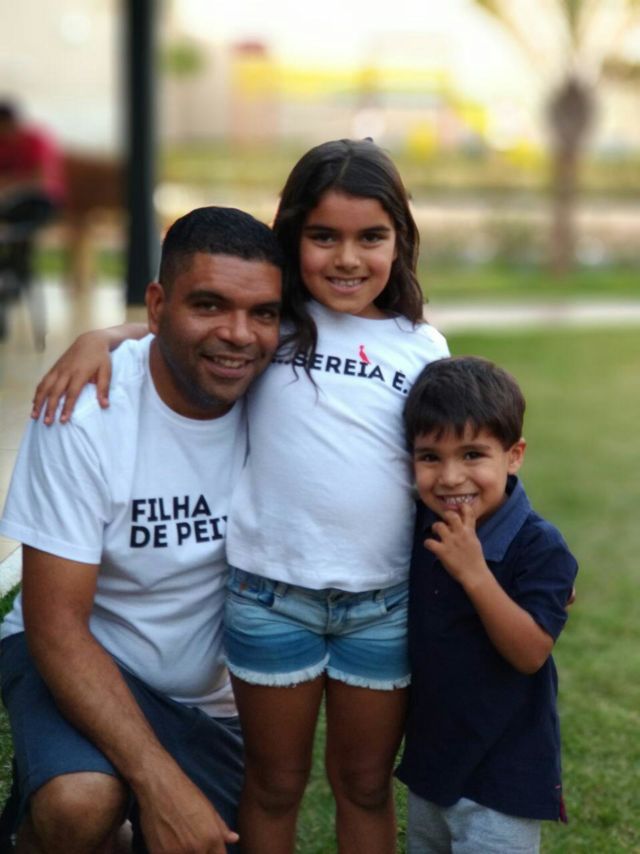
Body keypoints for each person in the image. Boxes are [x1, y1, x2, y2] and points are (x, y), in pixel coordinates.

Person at [29, 139, 450, 853]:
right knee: (273, 783)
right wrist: (100, 337)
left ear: (401, 241)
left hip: (380, 604)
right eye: (324, 236)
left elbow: (458, 452)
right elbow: (180, 328)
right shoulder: (279, 325)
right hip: (271, 599)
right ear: (294, 236)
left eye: (371, 238)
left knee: (366, 782)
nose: (348, 258)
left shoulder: (420, 345)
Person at [0, 205, 284, 853]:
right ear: (158, 306)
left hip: (211, 701)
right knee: (80, 803)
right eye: (208, 305)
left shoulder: (282, 394)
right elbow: (55, 627)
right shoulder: (83, 408)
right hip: (80, 656)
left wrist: (106, 332)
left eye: (263, 313)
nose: (238, 334)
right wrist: (160, 783)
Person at [396, 355, 579, 854]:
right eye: (430, 457)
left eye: (473, 454)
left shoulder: (539, 546)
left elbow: (530, 653)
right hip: (433, 764)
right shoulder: (419, 525)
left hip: (505, 773)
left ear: (513, 455)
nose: (451, 477)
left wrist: (473, 571)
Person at [0, 100, 64, 305]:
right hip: (9, 207)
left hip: (40, 203)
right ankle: (13, 274)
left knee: (20, 230)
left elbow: (41, 179)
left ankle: (15, 276)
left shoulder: (35, 140)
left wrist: (10, 184)